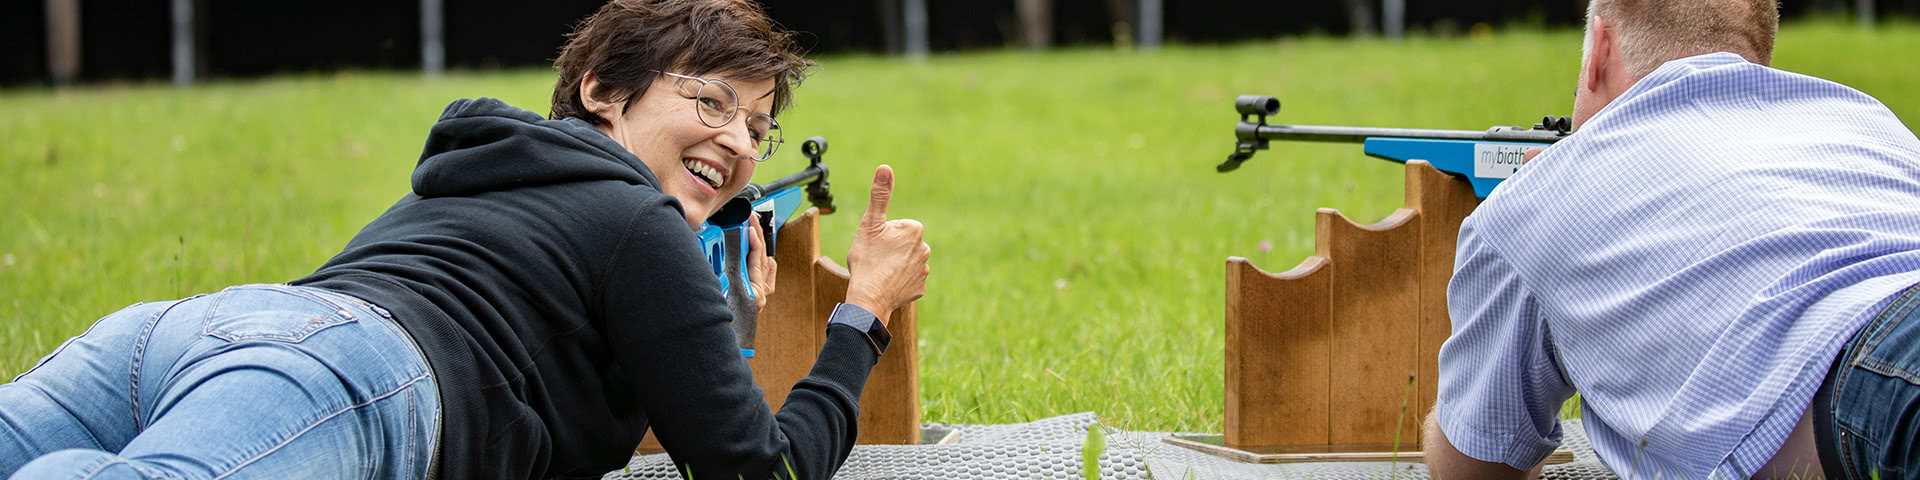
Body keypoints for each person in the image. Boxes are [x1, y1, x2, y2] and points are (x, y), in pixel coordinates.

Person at [0, 0, 932, 478]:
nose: (737, 142)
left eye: (757, 128)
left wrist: (719, 314)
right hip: (357, 375)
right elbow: (753, 470)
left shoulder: (500, 172)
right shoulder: (635, 222)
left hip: (183, 334)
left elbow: (642, 390)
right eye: (709, 101)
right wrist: (861, 317)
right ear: (604, 90)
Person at [1421, 0, 1920, 478]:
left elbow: (1473, 465)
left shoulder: (1541, 196)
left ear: (1599, 48)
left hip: (1889, 365)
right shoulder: (1867, 117)